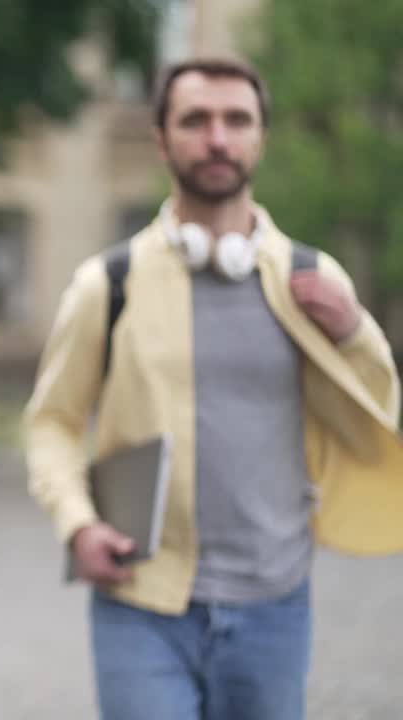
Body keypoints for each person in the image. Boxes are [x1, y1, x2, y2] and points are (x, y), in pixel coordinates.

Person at [24, 57, 402, 720]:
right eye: (196, 120)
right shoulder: (106, 285)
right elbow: (51, 423)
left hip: (275, 602)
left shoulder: (313, 281)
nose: (218, 138)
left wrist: (354, 334)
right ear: (163, 139)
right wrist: (77, 524)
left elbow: (380, 410)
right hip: (141, 600)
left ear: (260, 137)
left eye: (237, 120)